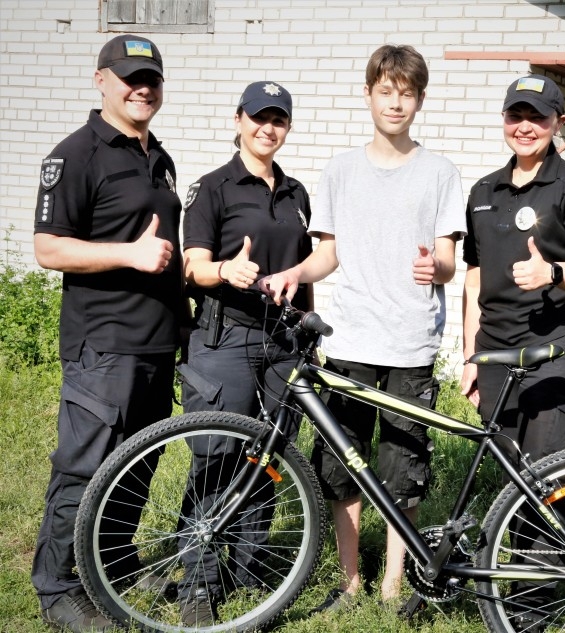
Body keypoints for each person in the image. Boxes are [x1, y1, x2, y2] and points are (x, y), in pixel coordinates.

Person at [262, 44, 466, 611]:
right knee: (340, 465)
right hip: (349, 339)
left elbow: (449, 258)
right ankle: (350, 582)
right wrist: (294, 272)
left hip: (410, 343)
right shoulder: (341, 170)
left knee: (403, 471)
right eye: (386, 90)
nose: (395, 102)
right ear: (369, 94)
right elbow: (328, 254)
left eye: (406, 93)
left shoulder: (439, 172)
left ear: (419, 99)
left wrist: (437, 267)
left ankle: (395, 584)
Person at [31, 35, 183, 632]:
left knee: (134, 466)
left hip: (156, 342)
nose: (141, 87)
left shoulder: (158, 157)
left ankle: (105, 566)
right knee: (83, 466)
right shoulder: (77, 154)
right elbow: (47, 248)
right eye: (128, 78)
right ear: (101, 81)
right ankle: (58, 588)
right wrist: (129, 255)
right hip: (104, 344)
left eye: (150, 78)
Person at [458, 74, 565, 627]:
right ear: (504, 119)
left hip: (557, 351)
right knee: (511, 478)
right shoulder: (481, 191)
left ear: (557, 123)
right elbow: (473, 277)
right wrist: (469, 353)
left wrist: (554, 271)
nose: (525, 126)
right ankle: (513, 589)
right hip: (497, 357)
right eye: (516, 114)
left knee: (546, 481)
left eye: (537, 117)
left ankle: (536, 608)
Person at [177, 80, 313, 625]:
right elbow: (191, 265)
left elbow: (303, 271)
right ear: (238, 120)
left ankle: (253, 575)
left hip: (283, 344)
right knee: (216, 457)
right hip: (225, 338)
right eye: (259, 117)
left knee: (268, 460)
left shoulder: (298, 193)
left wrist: (306, 322)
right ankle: (199, 583)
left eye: (278, 119)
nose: (268, 128)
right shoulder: (212, 188)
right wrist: (225, 271)